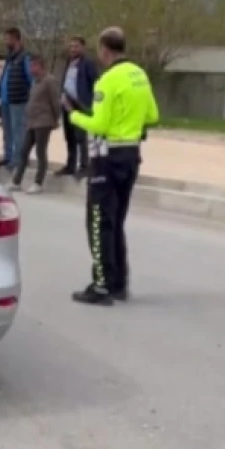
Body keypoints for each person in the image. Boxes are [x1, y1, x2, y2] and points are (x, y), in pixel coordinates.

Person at [64, 27, 159, 306]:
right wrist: (130, 123)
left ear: (104, 49)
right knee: (116, 220)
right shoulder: (140, 75)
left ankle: (102, 285)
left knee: (97, 220)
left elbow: (99, 124)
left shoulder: (107, 80)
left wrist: (74, 116)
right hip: (131, 155)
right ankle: (118, 282)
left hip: (107, 157)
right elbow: (153, 115)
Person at [9, 54, 60, 194]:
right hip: (32, 122)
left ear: (41, 66)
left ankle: (38, 182)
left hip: (44, 121)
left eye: (34, 65)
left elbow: (55, 101)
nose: (31, 68)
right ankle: (17, 181)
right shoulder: (35, 82)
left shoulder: (49, 81)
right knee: (24, 151)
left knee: (40, 152)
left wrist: (56, 119)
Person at [57, 36, 100, 177]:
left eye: (76, 46)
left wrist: (91, 102)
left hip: (81, 104)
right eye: (71, 46)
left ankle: (84, 166)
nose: (73, 49)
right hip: (67, 104)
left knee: (81, 137)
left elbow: (96, 83)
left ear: (83, 48)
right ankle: (70, 165)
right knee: (69, 137)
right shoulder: (69, 63)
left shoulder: (88, 63)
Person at [0, 27, 33, 172]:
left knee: (18, 131)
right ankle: (8, 156)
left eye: (7, 38)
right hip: (6, 100)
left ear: (15, 39)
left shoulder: (25, 57)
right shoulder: (10, 57)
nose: (5, 41)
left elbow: (31, 79)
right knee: (7, 131)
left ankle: (18, 160)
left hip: (19, 100)